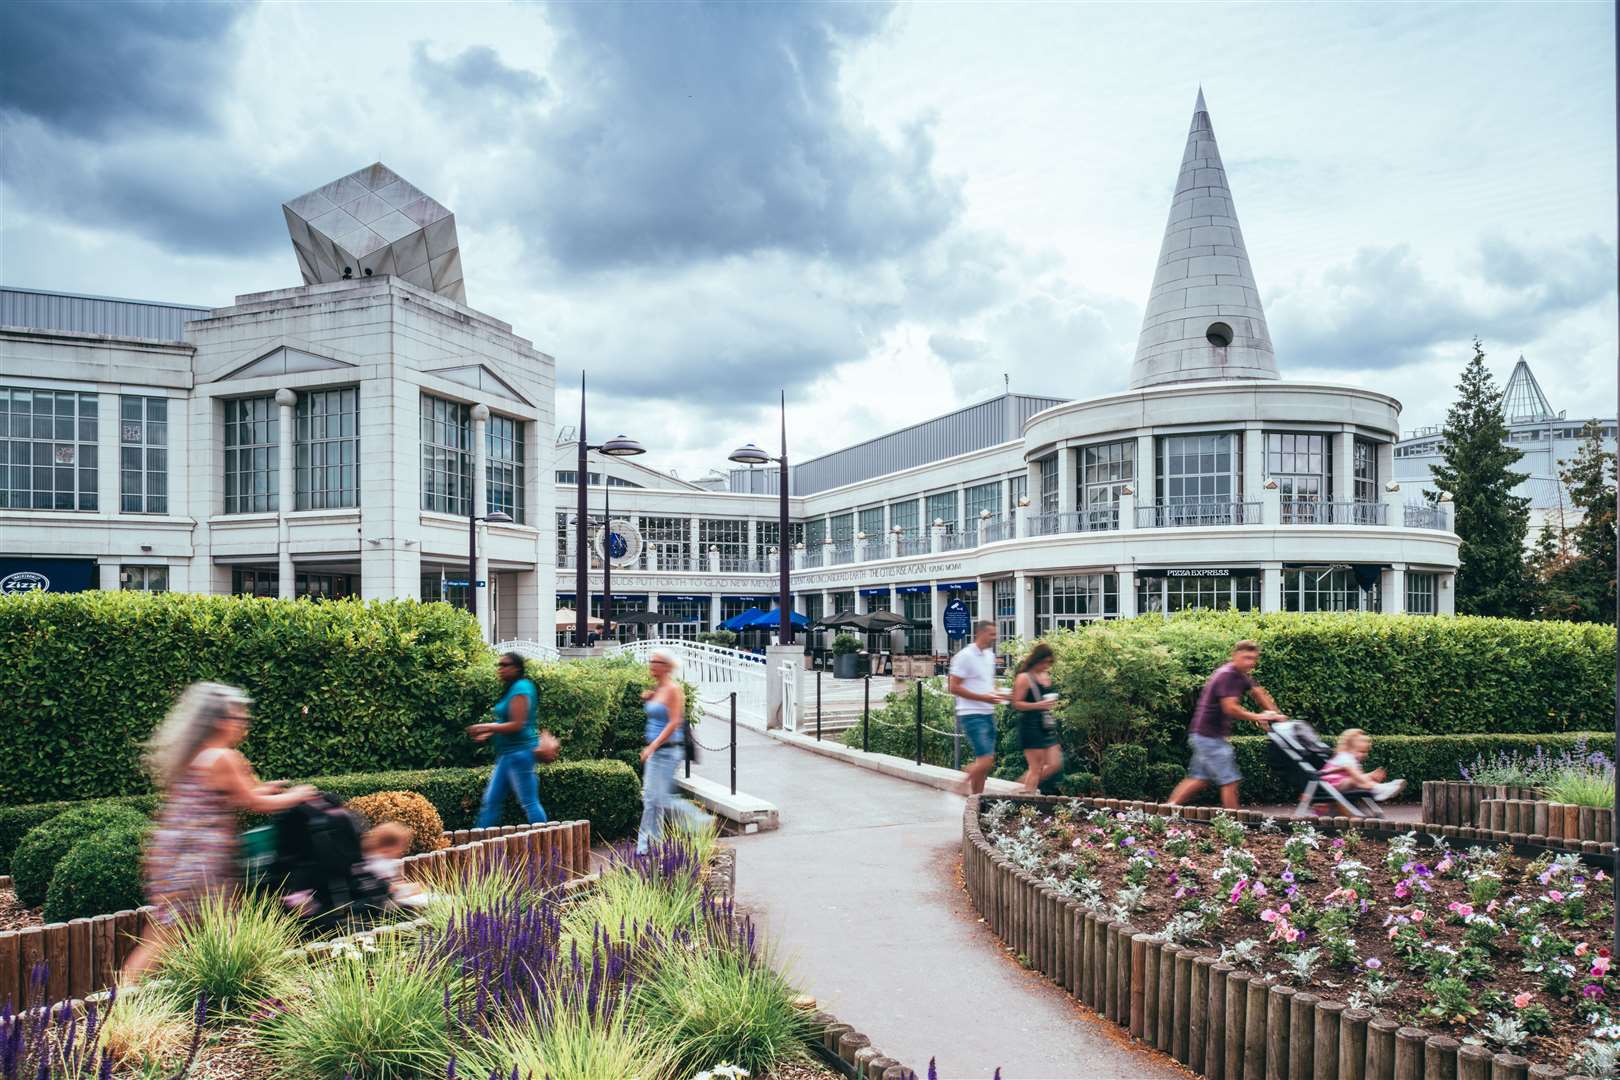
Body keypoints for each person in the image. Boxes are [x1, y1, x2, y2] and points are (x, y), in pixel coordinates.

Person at [123, 682, 317, 982]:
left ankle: (223, 989)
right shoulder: (223, 757)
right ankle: (123, 1004)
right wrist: (299, 794)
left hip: (175, 856)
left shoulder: (196, 757)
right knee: (177, 934)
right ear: (219, 721)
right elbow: (254, 802)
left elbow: (242, 793)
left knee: (173, 932)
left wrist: (271, 790)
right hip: (198, 862)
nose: (244, 724)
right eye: (239, 717)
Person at [1166, 640, 1283, 809]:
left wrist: (1276, 715)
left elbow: (1259, 693)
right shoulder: (1227, 675)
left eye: (1253, 659)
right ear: (1235, 656)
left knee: (1199, 778)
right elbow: (1230, 708)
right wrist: (1257, 716)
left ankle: (1168, 808)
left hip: (1205, 735)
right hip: (1209, 736)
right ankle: (1234, 823)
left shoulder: (1241, 675)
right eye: (1246, 657)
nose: (1250, 662)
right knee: (1230, 781)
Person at [636, 650, 712, 854]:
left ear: (667, 666)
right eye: (650, 661)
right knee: (653, 800)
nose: (652, 664)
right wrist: (650, 699)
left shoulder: (673, 689)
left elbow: (674, 722)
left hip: (667, 751)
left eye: (656, 661)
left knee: (656, 799)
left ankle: (698, 820)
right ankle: (653, 844)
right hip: (657, 752)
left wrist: (653, 746)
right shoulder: (658, 689)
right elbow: (658, 713)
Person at [467, 652, 549, 828]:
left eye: (505, 665)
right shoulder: (514, 688)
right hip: (509, 754)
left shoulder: (521, 688)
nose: (501, 669)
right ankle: (479, 847)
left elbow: (517, 724)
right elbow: (507, 723)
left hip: (520, 754)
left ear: (517, 668)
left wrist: (487, 727)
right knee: (491, 801)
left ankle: (547, 846)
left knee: (529, 803)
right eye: (499, 665)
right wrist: (490, 732)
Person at [949, 620, 1007, 796]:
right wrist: (984, 697)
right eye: (991, 634)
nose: (995, 637)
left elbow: (986, 684)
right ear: (980, 634)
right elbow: (953, 687)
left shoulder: (989, 656)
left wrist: (1000, 694)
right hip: (971, 714)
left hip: (988, 713)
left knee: (984, 762)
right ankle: (959, 785)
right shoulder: (964, 656)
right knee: (986, 760)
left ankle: (976, 800)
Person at [1010, 642, 1062, 793]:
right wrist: (1039, 705)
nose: (1047, 666)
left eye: (1049, 663)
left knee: (1054, 764)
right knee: (1036, 768)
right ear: (1037, 660)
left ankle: (1019, 789)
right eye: (1044, 662)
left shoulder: (1045, 675)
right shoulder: (1024, 677)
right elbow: (1016, 704)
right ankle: (1025, 797)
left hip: (1046, 725)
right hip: (1030, 725)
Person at [1321, 728, 1406, 802]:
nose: (1364, 755)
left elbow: (1359, 777)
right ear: (1348, 748)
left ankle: (1379, 789)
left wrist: (1371, 775)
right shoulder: (1345, 757)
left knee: (1357, 781)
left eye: (1365, 752)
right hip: (1329, 785)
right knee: (1354, 779)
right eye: (1360, 751)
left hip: (1341, 783)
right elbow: (1358, 777)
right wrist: (1369, 777)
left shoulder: (1351, 760)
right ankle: (1379, 789)